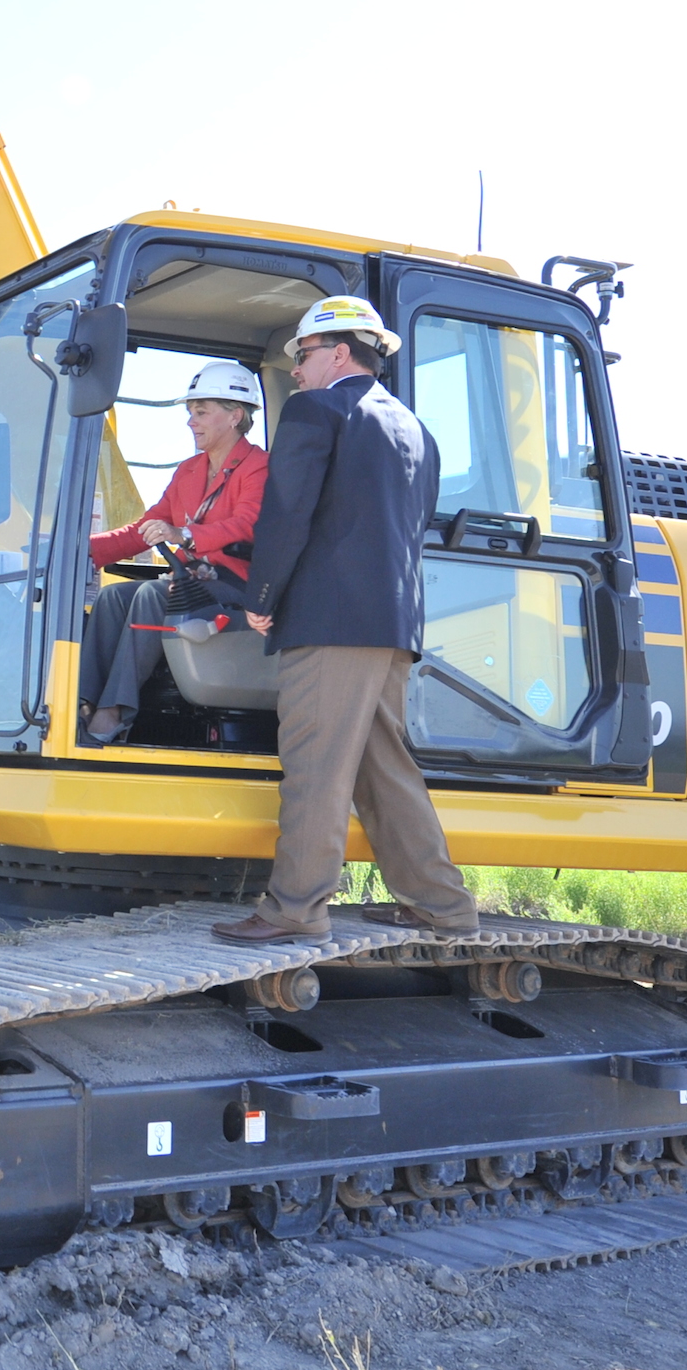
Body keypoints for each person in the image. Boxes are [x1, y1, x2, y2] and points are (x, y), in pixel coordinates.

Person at [212, 296, 481, 944]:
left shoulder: (316, 409)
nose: (295, 372)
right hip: (392, 628)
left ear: (337, 352)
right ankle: (443, 907)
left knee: (316, 767)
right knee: (382, 769)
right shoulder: (417, 430)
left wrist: (262, 595)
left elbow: (288, 513)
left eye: (301, 356)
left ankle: (295, 910)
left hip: (329, 626)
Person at [77, 360, 269, 746]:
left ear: (235, 416)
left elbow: (246, 526)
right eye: (190, 413)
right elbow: (144, 529)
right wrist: (80, 550)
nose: (190, 422)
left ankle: (113, 712)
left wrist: (184, 534)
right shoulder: (189, 471)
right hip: (192, 583)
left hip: (238, 588)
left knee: (152, 593)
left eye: (201, 412)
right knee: (114, 596)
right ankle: (81, 703)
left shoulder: (259, 467)